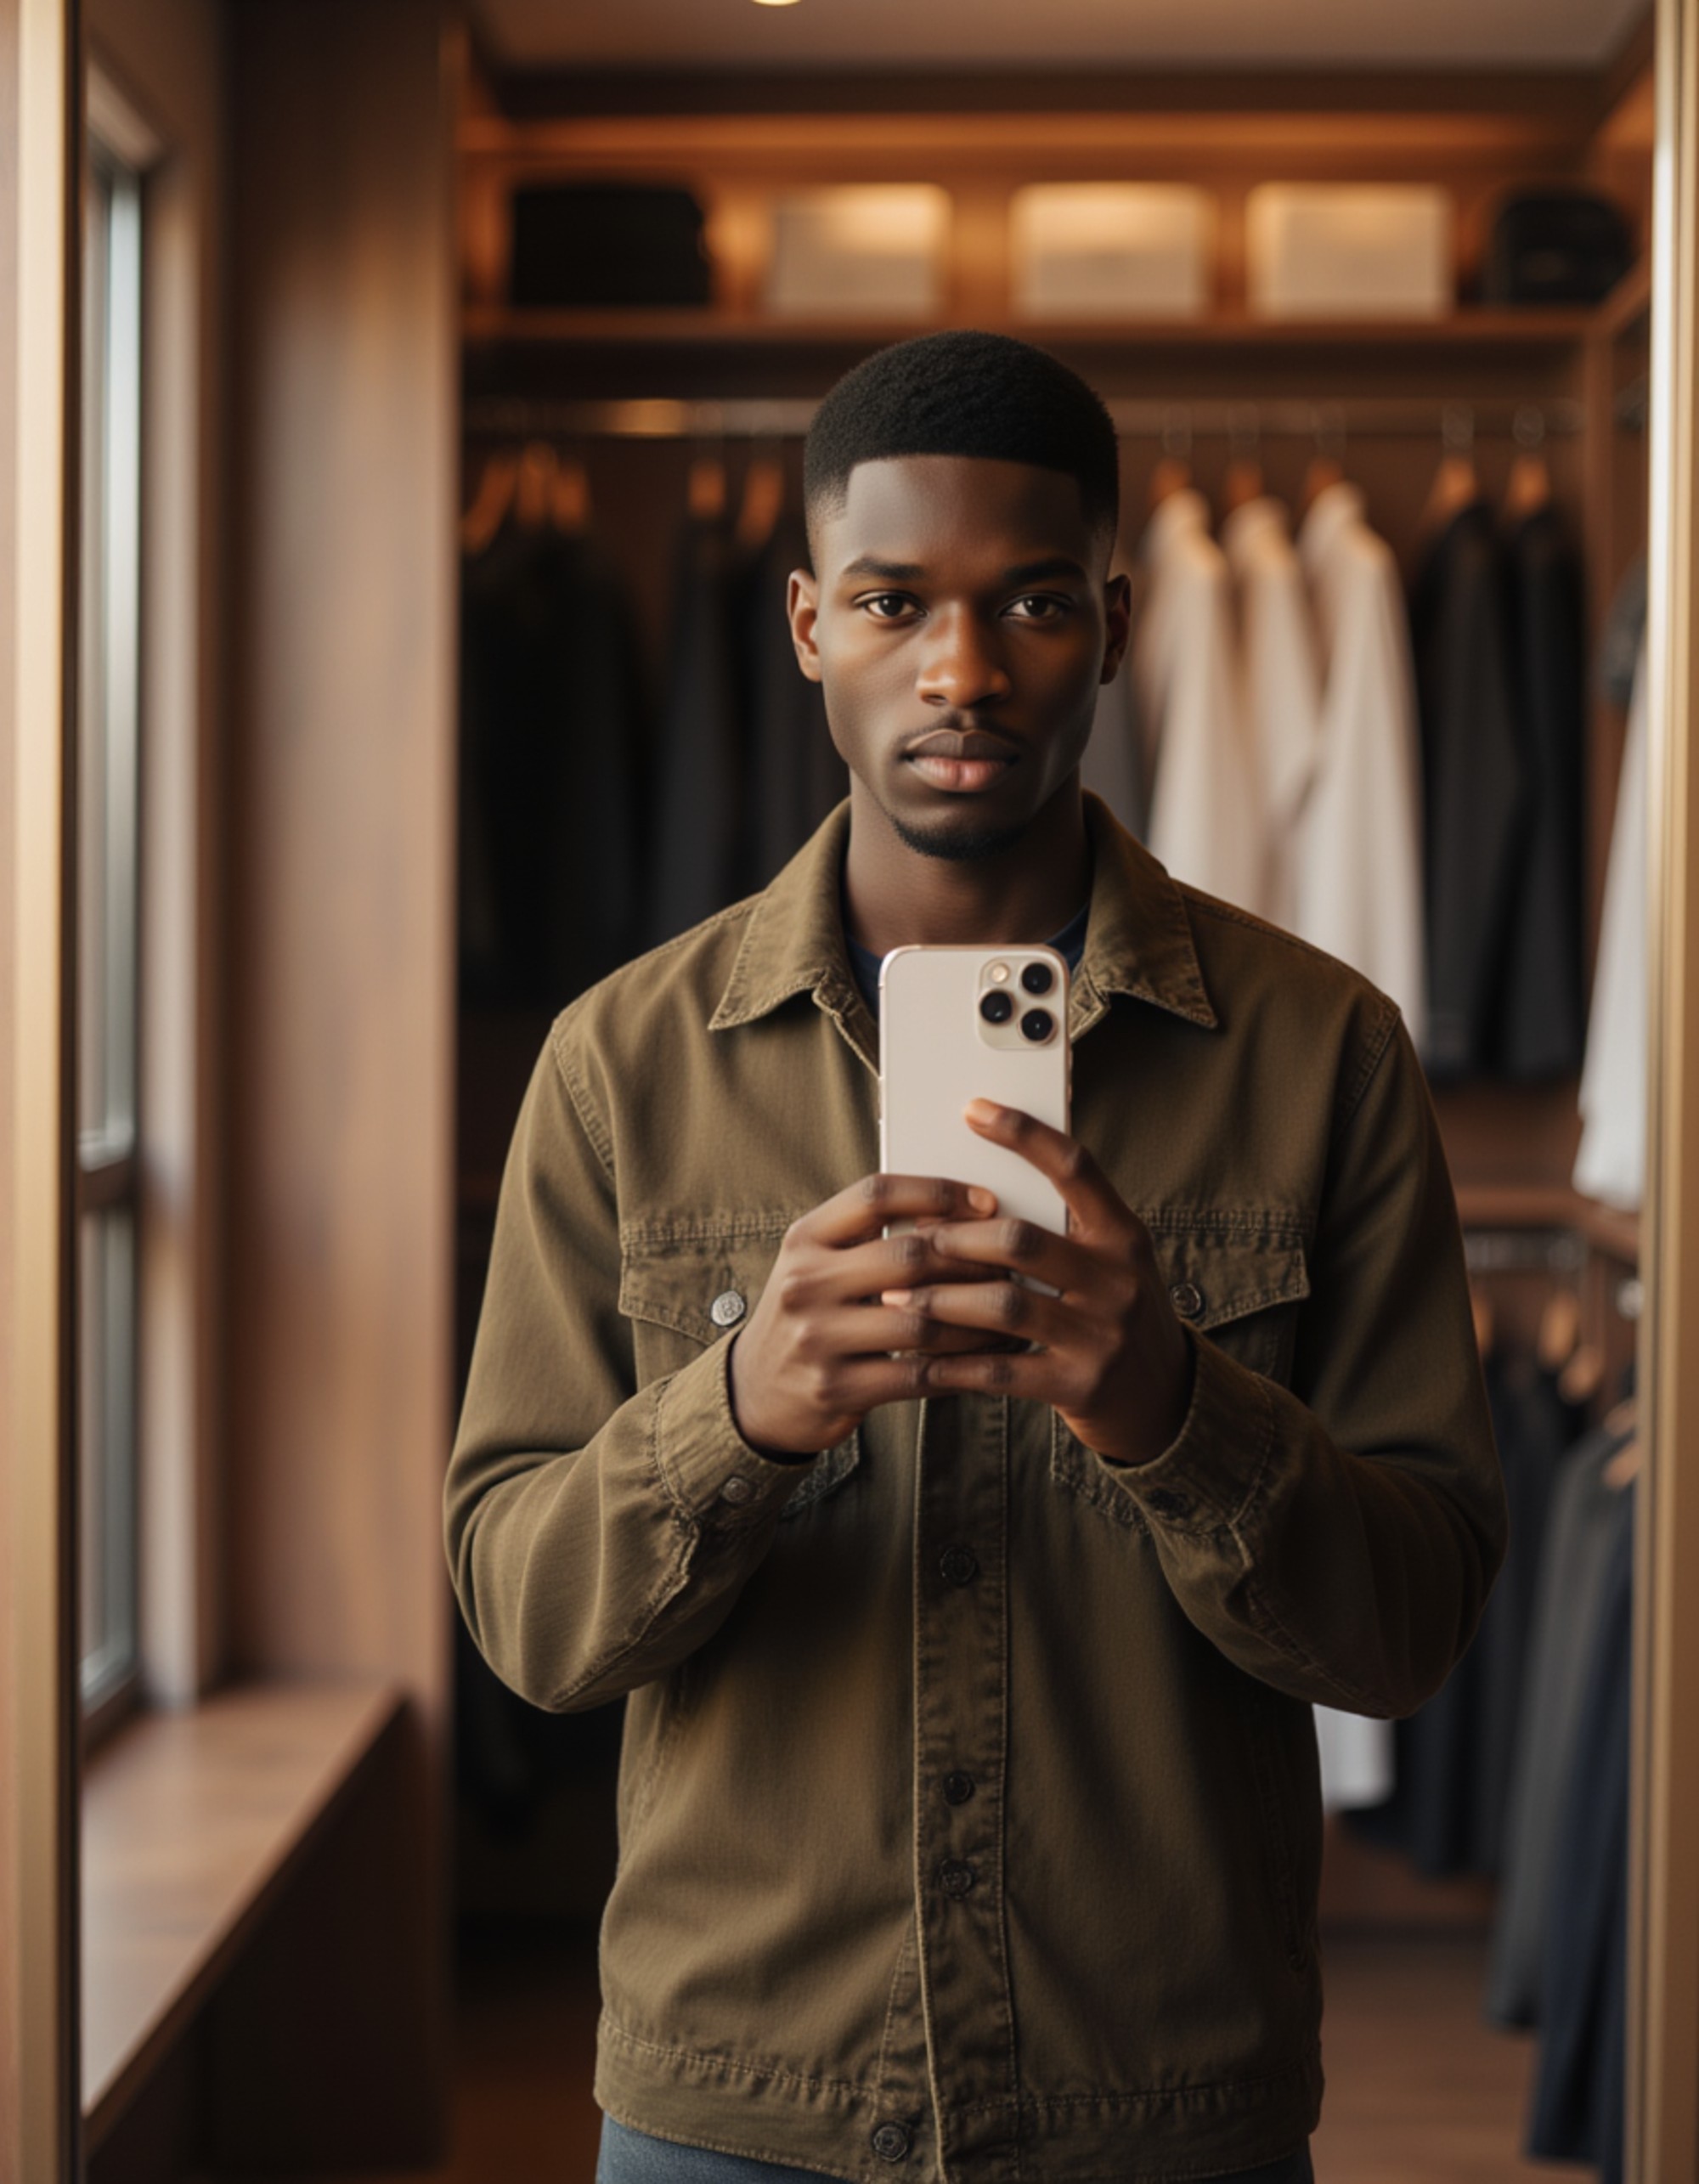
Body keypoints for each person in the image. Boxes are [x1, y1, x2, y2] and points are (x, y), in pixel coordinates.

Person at [443, 330, 1506, 2184]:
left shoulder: (1323, 1050)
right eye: (889, 600)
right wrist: (738, 1416)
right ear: (802, 626)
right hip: (733, 2102)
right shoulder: (618, 1065)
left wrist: (1172, 1404)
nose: (957, 668)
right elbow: (524, 1616)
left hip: (1162, 2103)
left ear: (1109, 620)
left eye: (1026, 601)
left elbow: (1411, 1626)